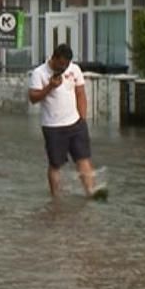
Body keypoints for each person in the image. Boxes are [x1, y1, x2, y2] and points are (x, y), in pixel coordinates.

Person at [29, 44, 99, 198]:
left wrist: (82, 119)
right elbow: (33, 98)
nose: (63, 68)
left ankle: (92, 195)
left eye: (66, 65)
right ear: (53, 58)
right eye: (60, 65)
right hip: (53, 127)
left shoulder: (74, 70)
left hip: (76, 124)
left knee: (83, 160)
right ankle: (55, 199)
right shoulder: (39, 73)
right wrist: (50, 87)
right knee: (55, 165)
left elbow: (80, 94)